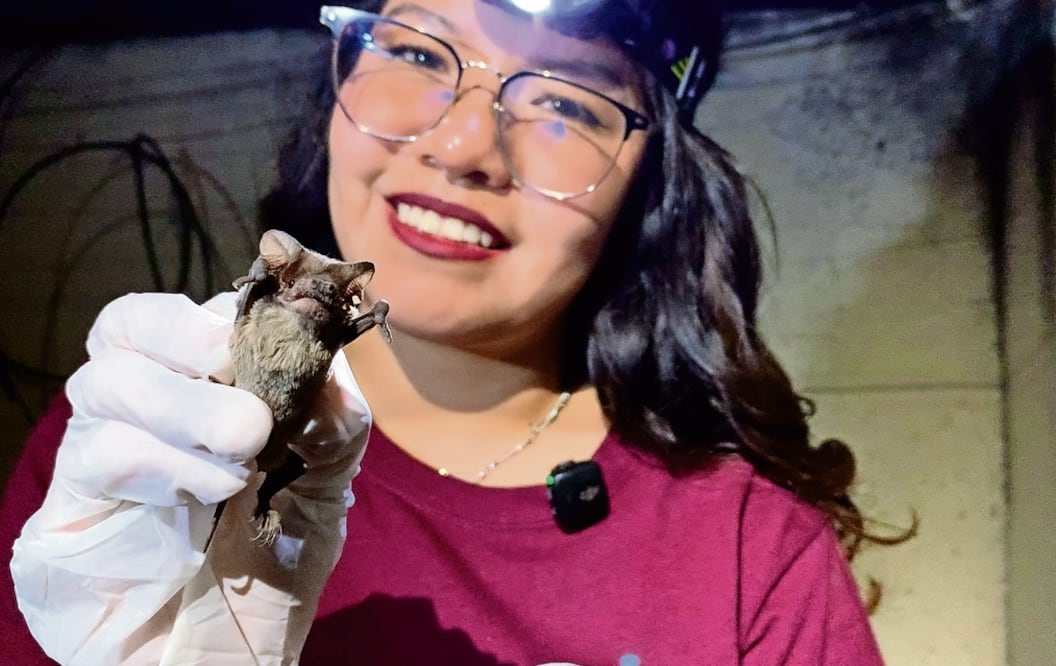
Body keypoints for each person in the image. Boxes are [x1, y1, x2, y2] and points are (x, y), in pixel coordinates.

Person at [1, 0, 904, 663]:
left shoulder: (750, 550)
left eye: (566, 103)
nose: (465, 142)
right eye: (419, 52)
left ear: (651, 184)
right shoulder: (150, 445)